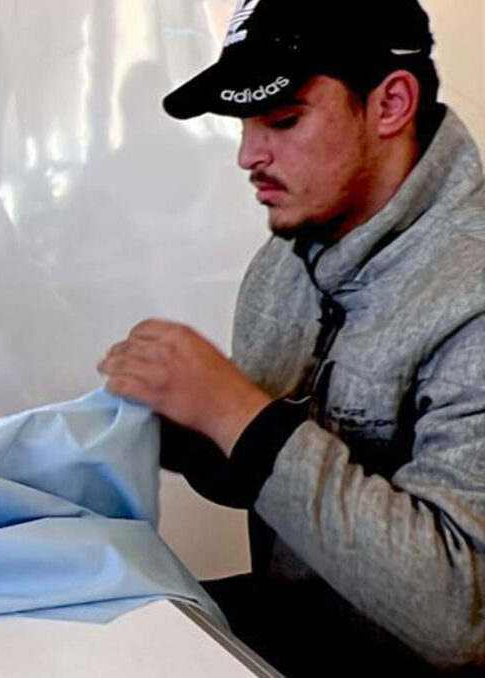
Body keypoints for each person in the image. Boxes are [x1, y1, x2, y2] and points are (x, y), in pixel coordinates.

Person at [98, 0, 485, 674]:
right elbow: (259, 481)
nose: (249, 154)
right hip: (299, 635)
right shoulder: (285, 263)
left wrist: (236, 414)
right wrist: (178, 424)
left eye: (283, 119)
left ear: (390, 103)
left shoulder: (472, 297)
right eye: (245, 123)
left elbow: (460, 614)